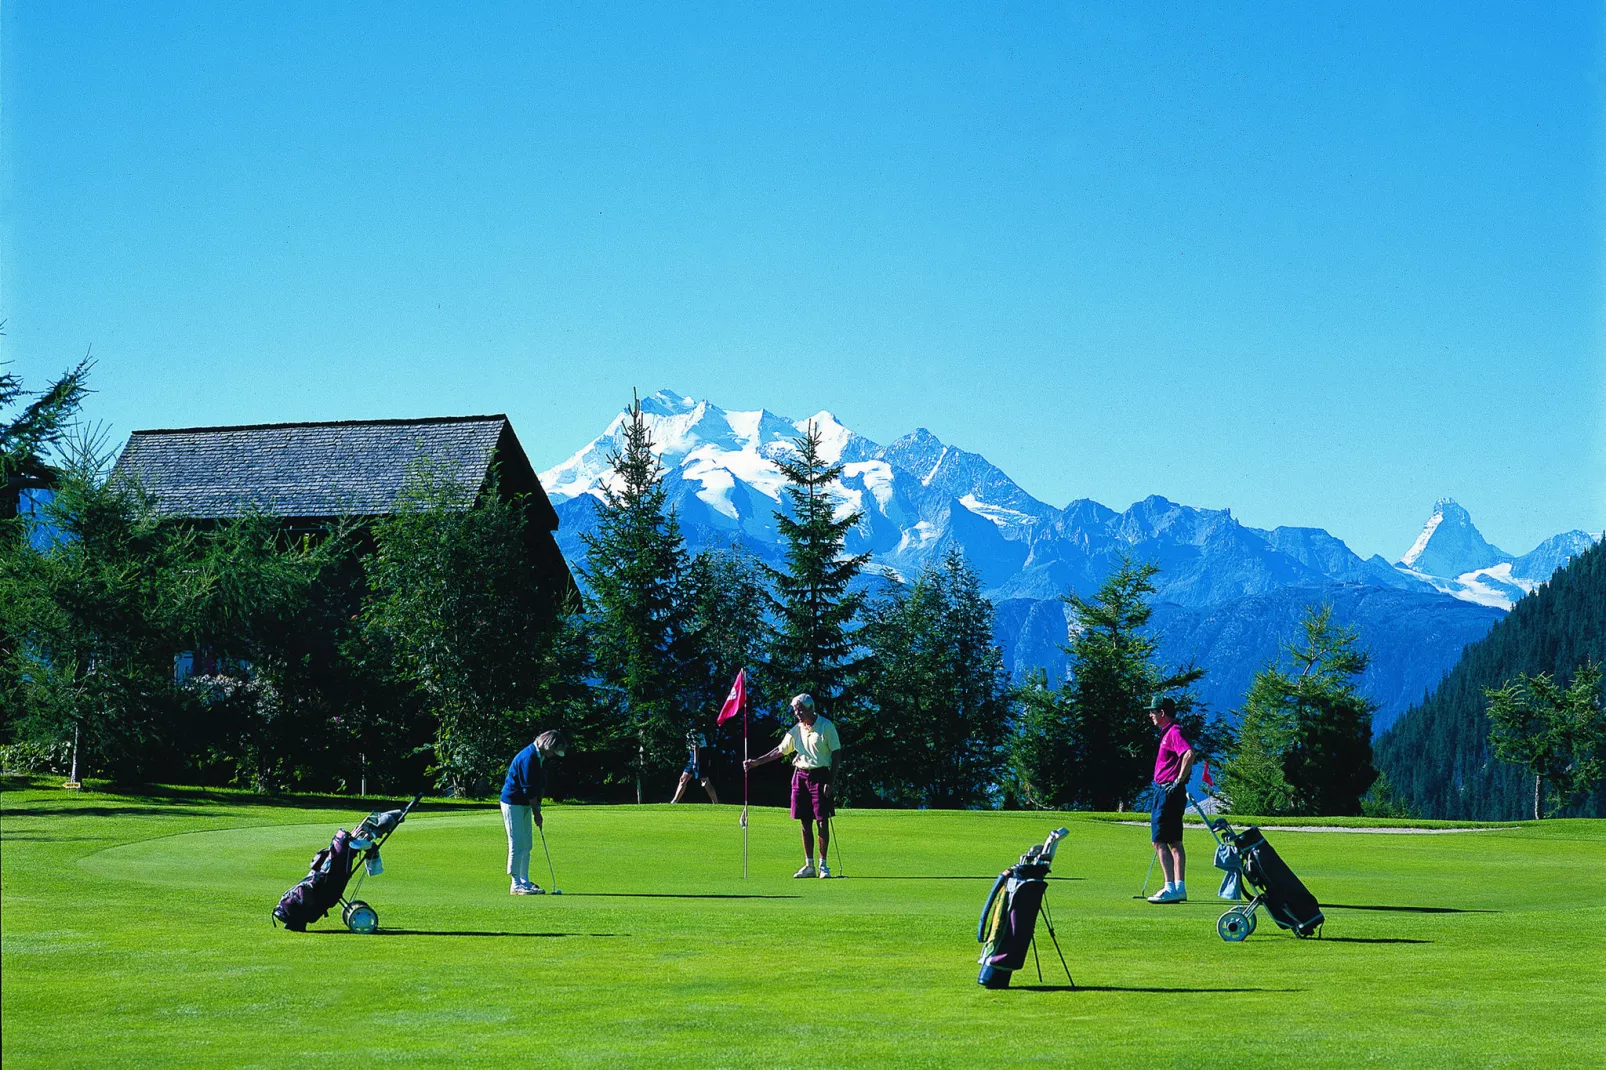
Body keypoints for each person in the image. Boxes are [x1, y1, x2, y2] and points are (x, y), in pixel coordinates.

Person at [744, 693, 842, 878]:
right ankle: (809, 865)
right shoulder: (796, 730)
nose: (796, 713)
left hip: (820, 775)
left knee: (822, 820)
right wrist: (756, 762)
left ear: (810, 708)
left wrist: (831, 781)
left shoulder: (826, 726)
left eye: (800, 709)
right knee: (805, 820)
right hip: (800, 776)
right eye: (795, 709)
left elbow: (836, 755)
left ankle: (823, 866)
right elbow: (780, 751)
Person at [501, 729, 567, 895]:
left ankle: (525, 880)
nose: (553, 755)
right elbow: (528, 790)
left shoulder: (539, 757)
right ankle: (515, 884)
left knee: (527, 844)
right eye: (554, 751)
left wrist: (538, 806)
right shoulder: (529, 757)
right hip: (512, 802)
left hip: (523, 803)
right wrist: (536, 813)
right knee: (516, 843)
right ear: (548, 745)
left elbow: (538, 785)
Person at [1145, 696, 1195, 903]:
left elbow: (1189, 754)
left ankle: (1169, 887)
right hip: (1170, 791)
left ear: (1162, 713)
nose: (1151, 715)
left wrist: (1178, 780)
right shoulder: (1169, 732)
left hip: (1167, 791)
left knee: (1159, 840)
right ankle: (1178, 887)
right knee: (1174, 841)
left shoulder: (1173, 732)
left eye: (1153, 711)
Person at [670, 730, 720, 804]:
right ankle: (674, 801)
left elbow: (696, 746)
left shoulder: (694, 730)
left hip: (699, 756)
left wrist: (695, 762)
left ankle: (716, 803)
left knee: (705, 781)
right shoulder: (686, 729)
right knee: (683, 779)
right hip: (693, 756)